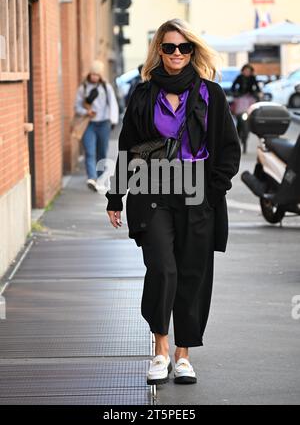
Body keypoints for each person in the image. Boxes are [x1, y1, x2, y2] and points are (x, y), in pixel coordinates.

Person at [105, 19, 241, 385]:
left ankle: (184, 355)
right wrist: (116, 195)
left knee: (192, 273)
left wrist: (215, 190)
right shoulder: (143, 94)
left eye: (183, 48)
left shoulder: (211, 93)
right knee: (163, 268)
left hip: (198, 194)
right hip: (152, 193)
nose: (177, 53)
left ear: (192, 51)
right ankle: (161, 350)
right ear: (158, 52)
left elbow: (229, 147)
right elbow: (126, 147)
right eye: (169, 48)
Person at [74, 60, 119, 192]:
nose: (94, 77)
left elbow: (113, 104)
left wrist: (113, 120)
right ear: (89, 74)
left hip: (104, 123)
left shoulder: (106, 87)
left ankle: (100, 178)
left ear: (100, 75)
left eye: (97, 75)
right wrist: (86, 112)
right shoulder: (83, 88)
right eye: (93, 74)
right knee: (89, 151)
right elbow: (77, 106)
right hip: (89, 124)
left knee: (102, 152)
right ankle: (92, 178)